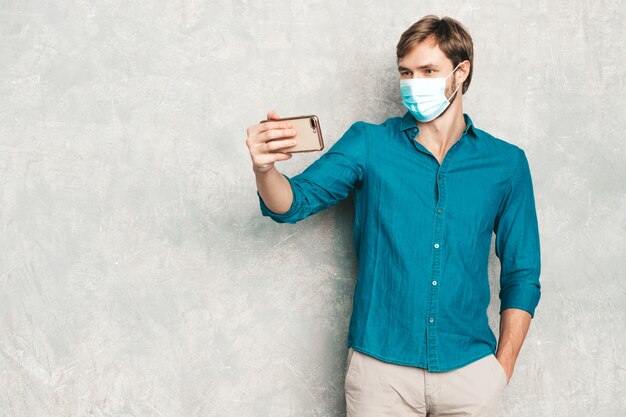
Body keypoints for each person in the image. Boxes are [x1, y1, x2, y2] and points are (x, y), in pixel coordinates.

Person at [245, 14, 541, 417]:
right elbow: (293, 202)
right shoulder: (369, 143)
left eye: (428, 71)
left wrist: (500, 369)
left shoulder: (505, 163)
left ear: (461, 72)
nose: (414, 83)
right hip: (380, 375)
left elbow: (522, 273)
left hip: (470, 372)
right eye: (406, 72)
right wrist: (265, 170)